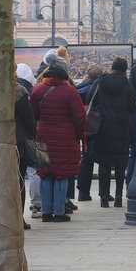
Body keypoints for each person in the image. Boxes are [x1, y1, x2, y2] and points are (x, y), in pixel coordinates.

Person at [30, 60, 85, 221]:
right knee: (62, 174)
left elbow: (32, 114)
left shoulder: (38, 90)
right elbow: (80, 117)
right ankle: (59, 211)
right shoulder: (70, 91)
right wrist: (79, 134)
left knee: (45, 174)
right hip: (65, 137)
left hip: (43, 136)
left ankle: (46, 212)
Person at [86, 58, 136, 208]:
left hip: (102, 127)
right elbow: (133, 106)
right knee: (121, 163)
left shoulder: (100, 82)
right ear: (124, 69)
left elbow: (89, 98)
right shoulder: (127, 85)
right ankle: (119, 196)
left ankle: (103, 196)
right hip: (121, 128)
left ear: (112, 67)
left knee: (104, 163)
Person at [76, 65, 105, 203]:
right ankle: (103, 192)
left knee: (86, 157)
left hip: (85, 125)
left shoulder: (80, 87)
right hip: (98, 124)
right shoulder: (100, 87)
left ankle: (83, 190)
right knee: (102, 157)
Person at [14, 68, 37, 228]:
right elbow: (29, 119)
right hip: (18, 140)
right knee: (19, 179)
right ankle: (17, 217)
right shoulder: (19, 92)